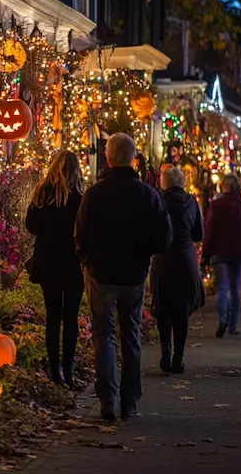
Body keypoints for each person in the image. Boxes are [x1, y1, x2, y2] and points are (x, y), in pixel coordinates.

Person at [75, 133, 172, 422]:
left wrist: (87, 259)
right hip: (133, 275)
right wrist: (147, 254)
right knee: (130, 335)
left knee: (103, 335)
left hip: (101, 274)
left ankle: (107, 398)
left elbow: (80, 233)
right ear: (133, 158)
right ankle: (129, 401)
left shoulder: (95, 193)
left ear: (108, 157)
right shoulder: (147, 194)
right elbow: (164, 235)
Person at [25, 151, 86, 386]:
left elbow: (30, 224)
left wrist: (47, 233)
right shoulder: (80, 198)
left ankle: (55, 370)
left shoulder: (43, 194)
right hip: (73, 264)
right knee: (70, 317)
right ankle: (69, 368)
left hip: (48, 262)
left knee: (53, 317)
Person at [150, 165, 204, 375]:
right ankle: (178, 358)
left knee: (163, 307)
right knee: (182, 311)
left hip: (163, 257)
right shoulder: (191, 202)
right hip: (185, 259)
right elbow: (199, 233)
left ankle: (165, 351)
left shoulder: (158, 200)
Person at [203, 173, 241, 338]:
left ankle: (222, 319)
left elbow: (209, 230)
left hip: (220, 251)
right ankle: (233, 324)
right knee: (235, 288)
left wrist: (207, 250)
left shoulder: (216, 205)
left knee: (222, 287)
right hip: (239, 250)